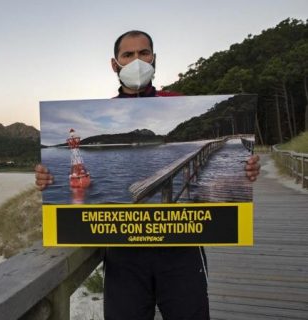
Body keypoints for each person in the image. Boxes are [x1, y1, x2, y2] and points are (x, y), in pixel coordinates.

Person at [35, 30, 261, 320]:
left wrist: (247, 168)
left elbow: (244, 172)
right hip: (123, 255)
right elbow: (63, 196)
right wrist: (47, 176)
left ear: (154, 59)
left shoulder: (176, 100)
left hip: (182, 247)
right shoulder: (107, 108)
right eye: (127, 55)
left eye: (144, 53)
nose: (137, 61)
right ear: (114, 64)